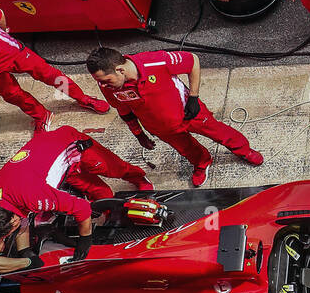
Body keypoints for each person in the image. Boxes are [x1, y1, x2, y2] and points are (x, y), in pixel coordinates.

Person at [86, 46, 263, 188]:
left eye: (106, 80)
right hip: (161, 128)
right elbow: (123, 109)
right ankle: (202, 162)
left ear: (120, 70)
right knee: (186, 149)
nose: (102, 85)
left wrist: (194, 97)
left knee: (218, 132)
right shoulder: (109, 87)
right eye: (99, 81)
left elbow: (192, 61)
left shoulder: (156, 62)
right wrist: (138, 133)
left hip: (190, 114)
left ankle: (244, 150)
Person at [0, 124, 152, 261]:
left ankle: (139, 178)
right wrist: (25, 251)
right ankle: (108, 209)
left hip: (72, 144)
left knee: (116, 168)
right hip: (54, 167)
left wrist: (85, 240)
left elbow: (81, 209)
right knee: (102, 193)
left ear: (13, 221)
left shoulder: (34, 198)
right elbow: (22, 219)